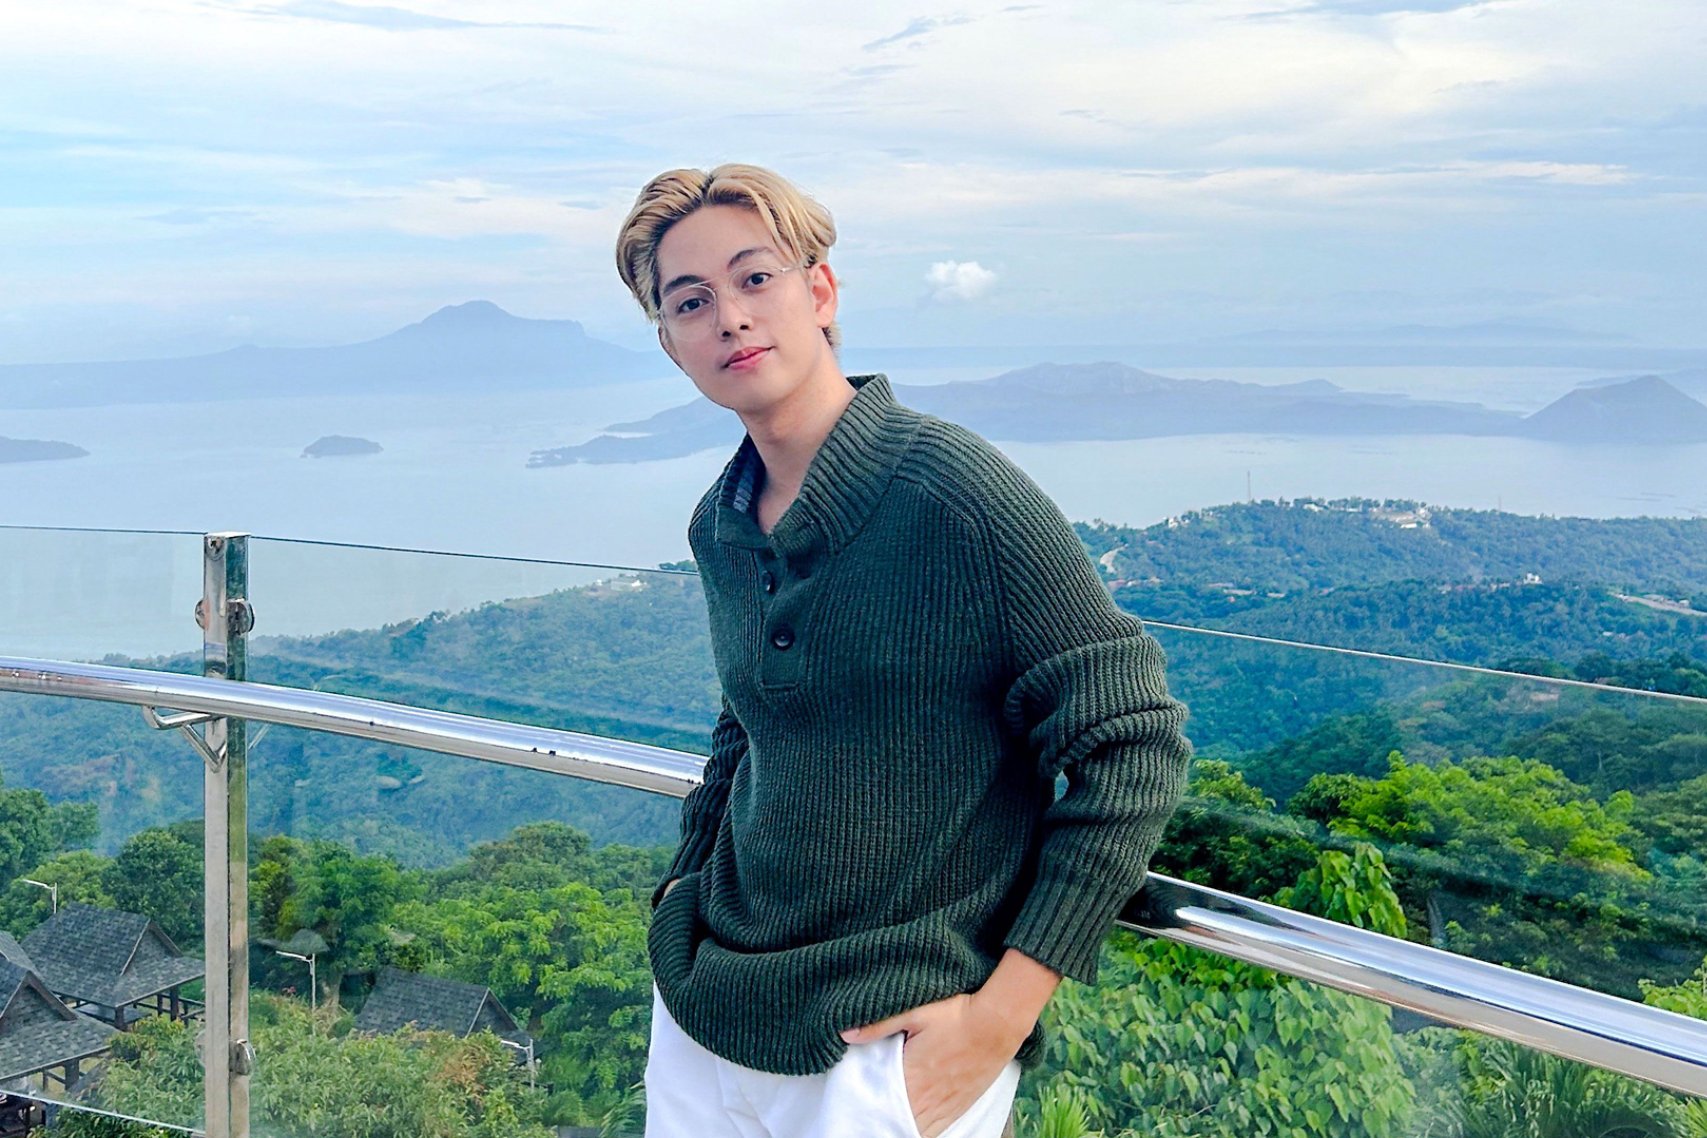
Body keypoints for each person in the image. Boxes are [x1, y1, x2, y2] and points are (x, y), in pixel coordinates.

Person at [614, 163, 1193, 1138]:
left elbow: (1134, 742)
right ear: (671, 345)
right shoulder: (723, 522)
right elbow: (745, 725)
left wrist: (1004, 1015)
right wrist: (682, 883)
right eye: (691, 300)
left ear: (821, 292)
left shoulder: (953, 493)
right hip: (707, 1014)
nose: (731, 317)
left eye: (757, 278)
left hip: (887, 1051)